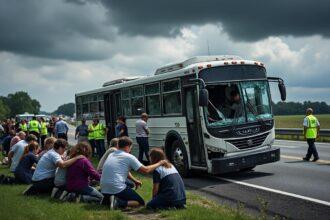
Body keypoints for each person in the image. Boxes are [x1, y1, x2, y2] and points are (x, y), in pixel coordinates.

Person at [100, 136, 167, 210]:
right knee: (140, 202)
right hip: (116, 187)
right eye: (130, 147)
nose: (130, 150)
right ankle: (118, 203)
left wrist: (135, 180)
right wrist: (160, 163)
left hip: (104, 188)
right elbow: (146, 170)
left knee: (124, 189)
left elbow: (124, 170)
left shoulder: (111, 154)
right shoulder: (129, 157)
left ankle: (107, 200)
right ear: (128, 146)